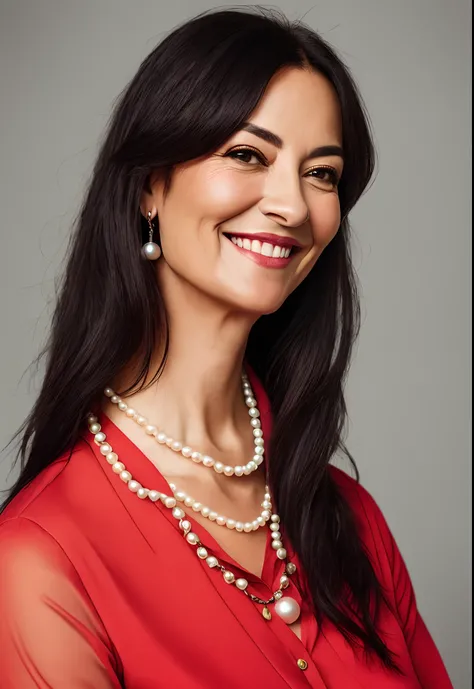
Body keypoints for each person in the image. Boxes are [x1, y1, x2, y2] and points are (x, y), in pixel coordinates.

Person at [0, 7, 453, 688]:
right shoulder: (43, 559)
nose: (293, 206)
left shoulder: (350, 523)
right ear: (151, 184)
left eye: (321, 173)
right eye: (248, 155)